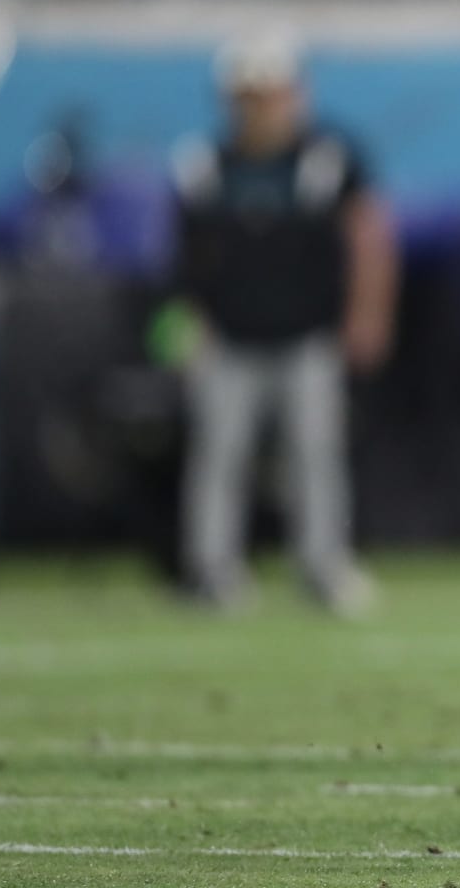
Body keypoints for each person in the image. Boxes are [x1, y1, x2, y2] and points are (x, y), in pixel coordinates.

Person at [171, 33, 397, 613]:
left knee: (315, 456)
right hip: (229, 335)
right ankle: (212, 570)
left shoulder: (327, 159)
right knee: (220, 454)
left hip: (307, 333)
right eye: (248, 96)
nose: (259, 108)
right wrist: (186, 327)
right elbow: (184, 263)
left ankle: (322, 565)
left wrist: (367, 314)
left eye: (268, 95)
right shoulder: (203, 166)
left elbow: (368, 237)